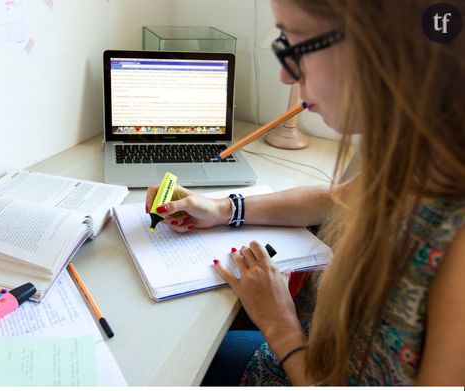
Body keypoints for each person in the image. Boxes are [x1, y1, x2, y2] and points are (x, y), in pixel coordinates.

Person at [145, 0, 465, 385]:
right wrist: (221, 208)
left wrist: (281, 325)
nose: (284, 75)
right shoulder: (414, 154)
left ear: (378, 45)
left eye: (295, 44)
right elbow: (338, 199)